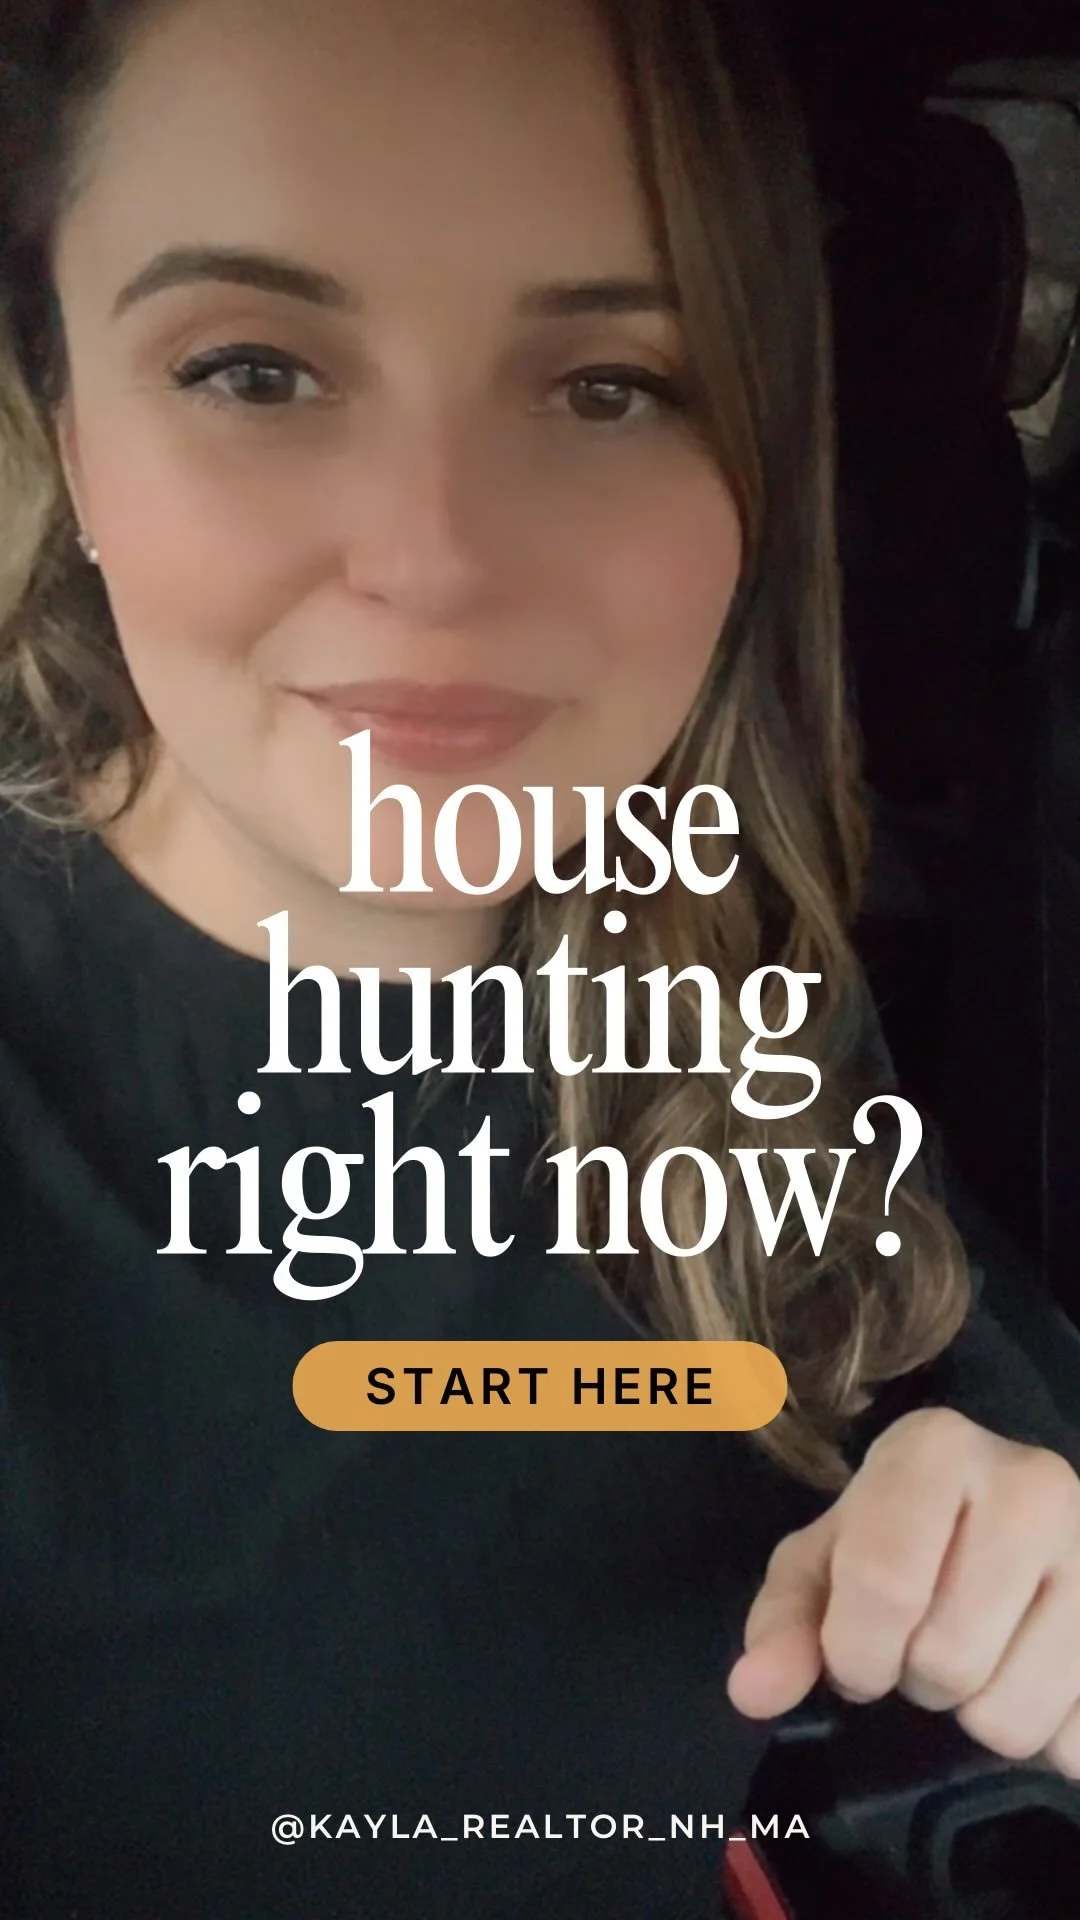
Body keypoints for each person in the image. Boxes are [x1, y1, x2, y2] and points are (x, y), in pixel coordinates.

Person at [0, 1, 1077, 1916]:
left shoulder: (714, 964)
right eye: (255, 370)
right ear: (66, 425)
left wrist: (1006, 1536)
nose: (438, 559)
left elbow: (941, 1372)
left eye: (606, 389)